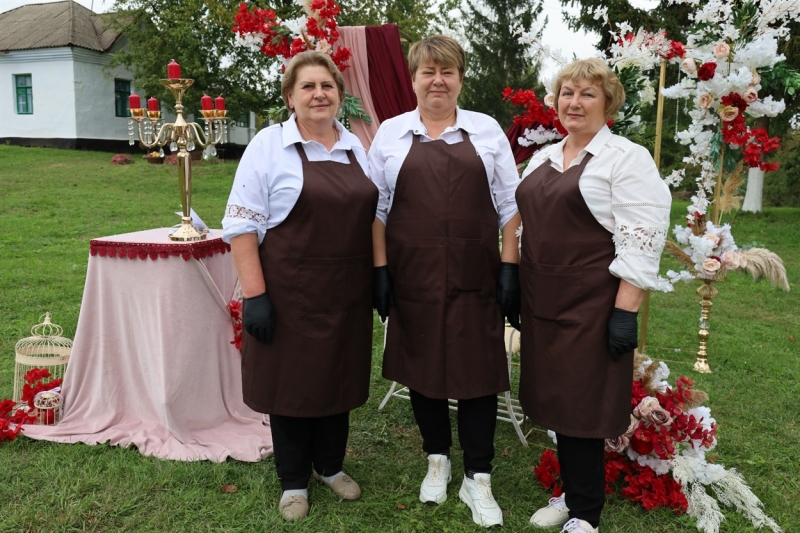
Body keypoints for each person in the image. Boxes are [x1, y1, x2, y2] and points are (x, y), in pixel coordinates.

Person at [369, 35, 522, 528]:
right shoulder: (391, 134)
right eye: (428, 72)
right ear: (413, 79)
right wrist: (380, 270)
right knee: (424, 369)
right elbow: (376, 209)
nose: (438, 81)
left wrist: (509, 266)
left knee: (478, 373)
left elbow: (511, 206)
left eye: (448, 72)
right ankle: (437, 459)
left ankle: (478, 476)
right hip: (413, 275)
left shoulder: (486, 131)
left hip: (477, 276)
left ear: (460, 78)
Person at [516, 58, 671, 533]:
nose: (574, 102)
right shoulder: (544, 157)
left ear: (609, 104)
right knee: (557, 400)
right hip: (542, 301)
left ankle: (585, 515)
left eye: (587, 94)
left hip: (592, 303)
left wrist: (625, 311)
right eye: (567, 92)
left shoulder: (625, 158)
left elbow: (642, 239)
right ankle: (571, 491)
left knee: (583, 405)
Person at [221, 51, 378, 521]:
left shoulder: (355, 148)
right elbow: (242, 228)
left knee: (338, 377)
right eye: (308, 87)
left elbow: (375, 216)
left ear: (339, 96)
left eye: (326, 86)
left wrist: (381, 273)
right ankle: (293, 480)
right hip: (289, 292)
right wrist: (256, 297)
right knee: (290, 386)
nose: (318, 94)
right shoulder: (268, 147)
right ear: (290, 97)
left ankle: (330, 466)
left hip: (347, 291)